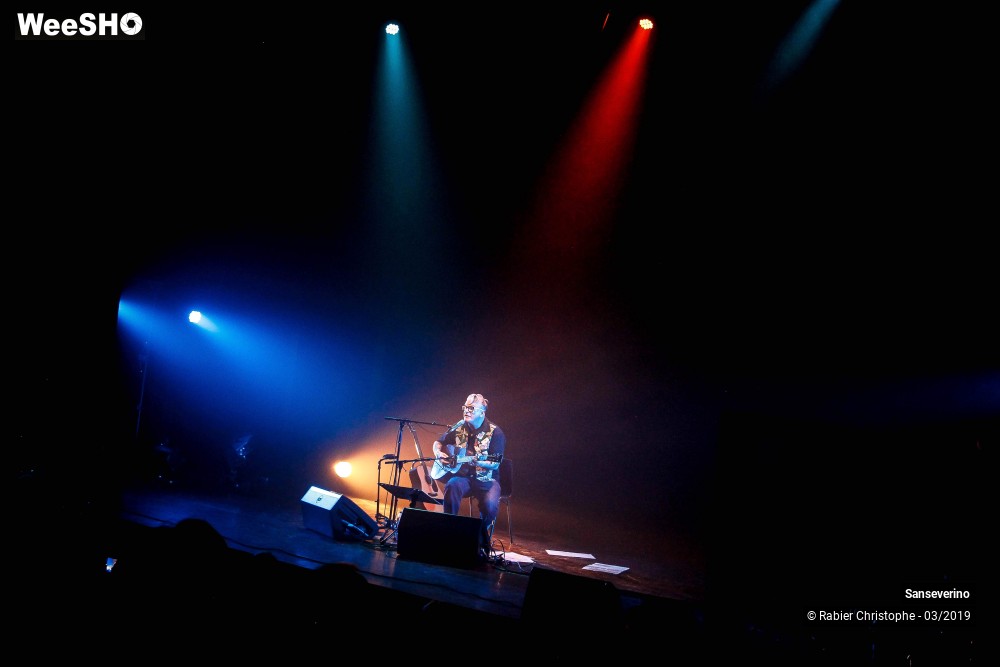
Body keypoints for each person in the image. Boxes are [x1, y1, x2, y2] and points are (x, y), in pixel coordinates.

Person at [431, 393, 506, 558]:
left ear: (482, 412)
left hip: (487, 479)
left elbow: (495, 463)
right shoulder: (460, 427)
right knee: (452, 485)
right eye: (465, 407)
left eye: (471, 408)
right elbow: (439, 442)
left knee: (490, 507)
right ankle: (448, 529)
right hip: (464, 477)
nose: (467, 411)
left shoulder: (495, 432)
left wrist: (477, 462)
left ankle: (477, 535)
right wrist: (438, 453)